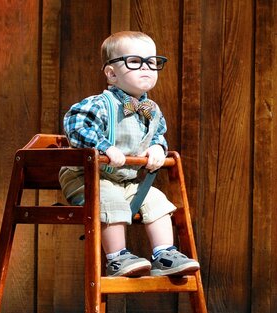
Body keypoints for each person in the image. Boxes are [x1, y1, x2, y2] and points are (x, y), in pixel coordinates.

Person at [59, 31, 199, 278]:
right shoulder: (99, 104)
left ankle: (164, 253)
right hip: (86, 178)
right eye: (134, 61)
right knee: (109, 197)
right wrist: (104, 147)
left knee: (156, 200)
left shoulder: (151, 111)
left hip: (125, 179)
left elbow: (157, 136)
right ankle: (116, 258)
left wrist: (157, 149)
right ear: (111, 74)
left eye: (152, 62)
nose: (146, 67)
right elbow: (76, 124)